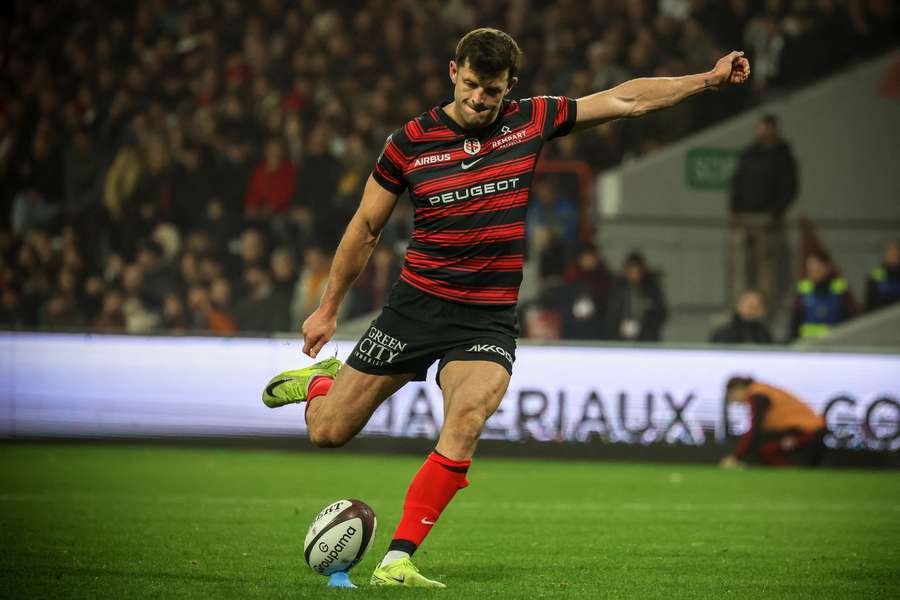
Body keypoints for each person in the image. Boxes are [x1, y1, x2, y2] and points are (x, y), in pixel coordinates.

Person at [261, 28, 750, 588]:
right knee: (327, 433)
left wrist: (707, 80)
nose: (478, 99)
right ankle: (325, 384)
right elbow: (367, 228)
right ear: (453, 73)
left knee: (467, 418)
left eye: (490, 91)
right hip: (415, 307)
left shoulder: (530, 119)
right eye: (470, 86)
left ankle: (398, 559)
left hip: (486, 317)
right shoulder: (410, 141)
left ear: (508, 86)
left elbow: (626, 99)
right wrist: (328, 309)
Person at [729, 114, 798, 307]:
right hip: (744, 218)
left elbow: (789, 187)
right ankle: (739, 308)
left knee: (767, 269)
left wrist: (775, 213)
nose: (761, 132)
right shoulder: (749, 153)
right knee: (739, 267)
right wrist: (735, 210)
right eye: (760, 128)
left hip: (768, 220)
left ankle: (764, 311)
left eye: (766, 128)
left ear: (773, 130)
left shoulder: (783, 155)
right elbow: (737, 182)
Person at [720, 376, 827, 468]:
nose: (736, 402)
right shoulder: (763, 389)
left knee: (767, 449)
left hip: (808, 432)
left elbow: (754, 430)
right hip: (806, 430)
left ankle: (789, 477)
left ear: (738, 388)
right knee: (765, 447)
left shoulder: (757, 394)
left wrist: (736, 457)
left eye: (732, 397)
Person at [605, 251, 668, 342]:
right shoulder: (617, 289)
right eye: (631, 271)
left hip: (646, 341)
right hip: (620, 341)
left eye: (637, 271)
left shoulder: (651, 289)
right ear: (625, 271)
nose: (634, 275)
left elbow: (661, 313)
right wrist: (619, 329)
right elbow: (610, 314)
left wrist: (644, 327)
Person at [789, 252, 853, 341]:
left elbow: (849, 319)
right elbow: (795, 319)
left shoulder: (839, 288)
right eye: (810, 268)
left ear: (827, 267)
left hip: (835, 342)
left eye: (817, 267)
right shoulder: (803, 289)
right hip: (808, 344)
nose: (813, 270)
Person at [865, 240, 900, 312]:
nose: (894, 256)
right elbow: (869, 301)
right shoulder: (875, 275)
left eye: (896, 253)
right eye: (892, 253)